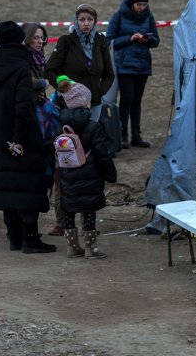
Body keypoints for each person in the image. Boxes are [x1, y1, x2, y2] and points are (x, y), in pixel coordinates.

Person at [0, 21, 56, 254]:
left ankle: (14, 238)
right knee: (27, 188)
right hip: (20, 137)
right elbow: (23, 108)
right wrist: (20, 140)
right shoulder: (21, 68)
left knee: (7, 187)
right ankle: (30, 239)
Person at [56, 80, 117, 259]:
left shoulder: (62, 124)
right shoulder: (92, 125)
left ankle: (72, 247)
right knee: (88, 210)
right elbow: (102, 153)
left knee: (69, 209)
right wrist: (110, 174)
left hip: (67, 173)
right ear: (85, 102)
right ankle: (91, 249)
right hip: (90, 174)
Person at [22, 22, 65, 237]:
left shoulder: (39, 59)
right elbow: (23, 82)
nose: (40, 41)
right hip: (31, 120)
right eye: (36, 37)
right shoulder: (23, 58)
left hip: (41, 115)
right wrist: (40, 85)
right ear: (27, 38)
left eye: (42, 38)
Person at [105, 0, 159, 148]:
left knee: (137, 101)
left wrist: (147, 40)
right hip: (124, 66)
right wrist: (130, 38)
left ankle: (136, 136)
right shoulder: (118, 16)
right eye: (139, 4)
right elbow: (109, 41)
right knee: (126, 101)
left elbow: (156, 41)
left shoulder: (149, 17)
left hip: (142, 65)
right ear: (132, 3)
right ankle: (122, 136)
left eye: (144, 4)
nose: (142, 7)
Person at [45, 4, 115, 122]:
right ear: (76, 21)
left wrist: (100, 91)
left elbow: (109, 74)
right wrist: (65, 88)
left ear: (95, 21)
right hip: (71, 104)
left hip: (94, 103)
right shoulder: (66, 42)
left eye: (90, 19)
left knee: (92, 137)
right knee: (73, 139)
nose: (86, 23)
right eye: (82, 19)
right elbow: (49, 71)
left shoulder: (101, 41)